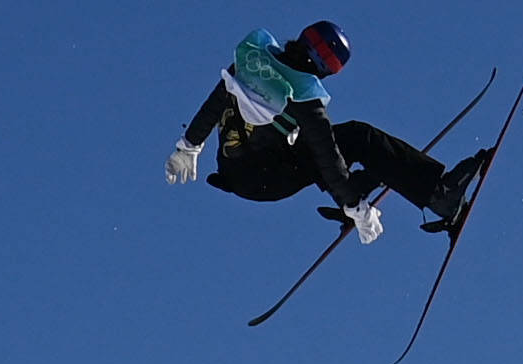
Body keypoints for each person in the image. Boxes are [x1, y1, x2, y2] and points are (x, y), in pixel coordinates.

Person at [165, 21, 486, 240]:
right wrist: (356, 209)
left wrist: (188, 146)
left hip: (239, 170)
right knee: (359, 138)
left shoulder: (254, 59)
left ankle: (361, 186)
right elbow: (328, 160)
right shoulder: (305, 96)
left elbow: (217, 100)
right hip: (266, 179)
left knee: (339, 143)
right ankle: (441, 199)